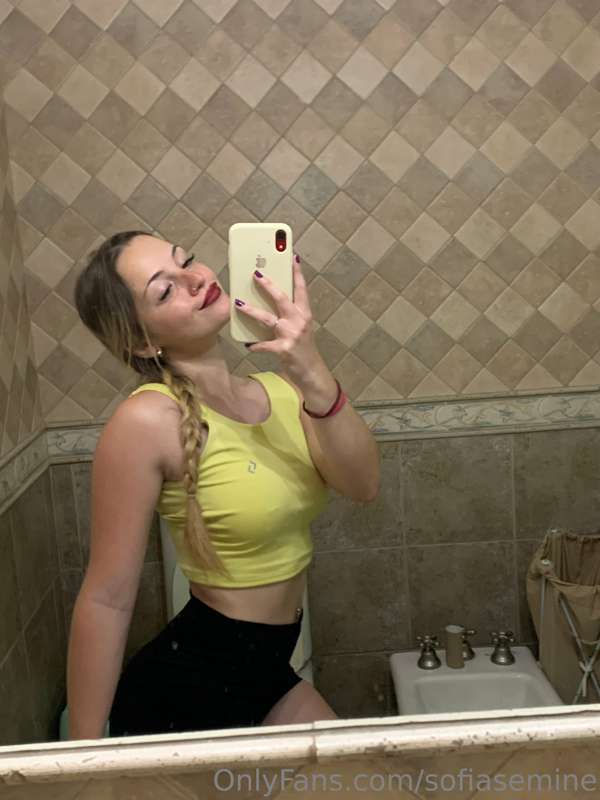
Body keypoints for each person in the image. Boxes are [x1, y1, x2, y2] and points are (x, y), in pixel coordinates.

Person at [66, 230, 380, 739]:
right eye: (165, 290)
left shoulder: (281, 390)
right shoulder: (147, 420)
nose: (195, 278)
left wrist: (310, 365)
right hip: (188, 695)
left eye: (186, 260)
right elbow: (106, 598)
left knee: (377, 777)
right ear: (143, 342)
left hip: (265, 672)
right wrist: (83, 757)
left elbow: (363, 485)